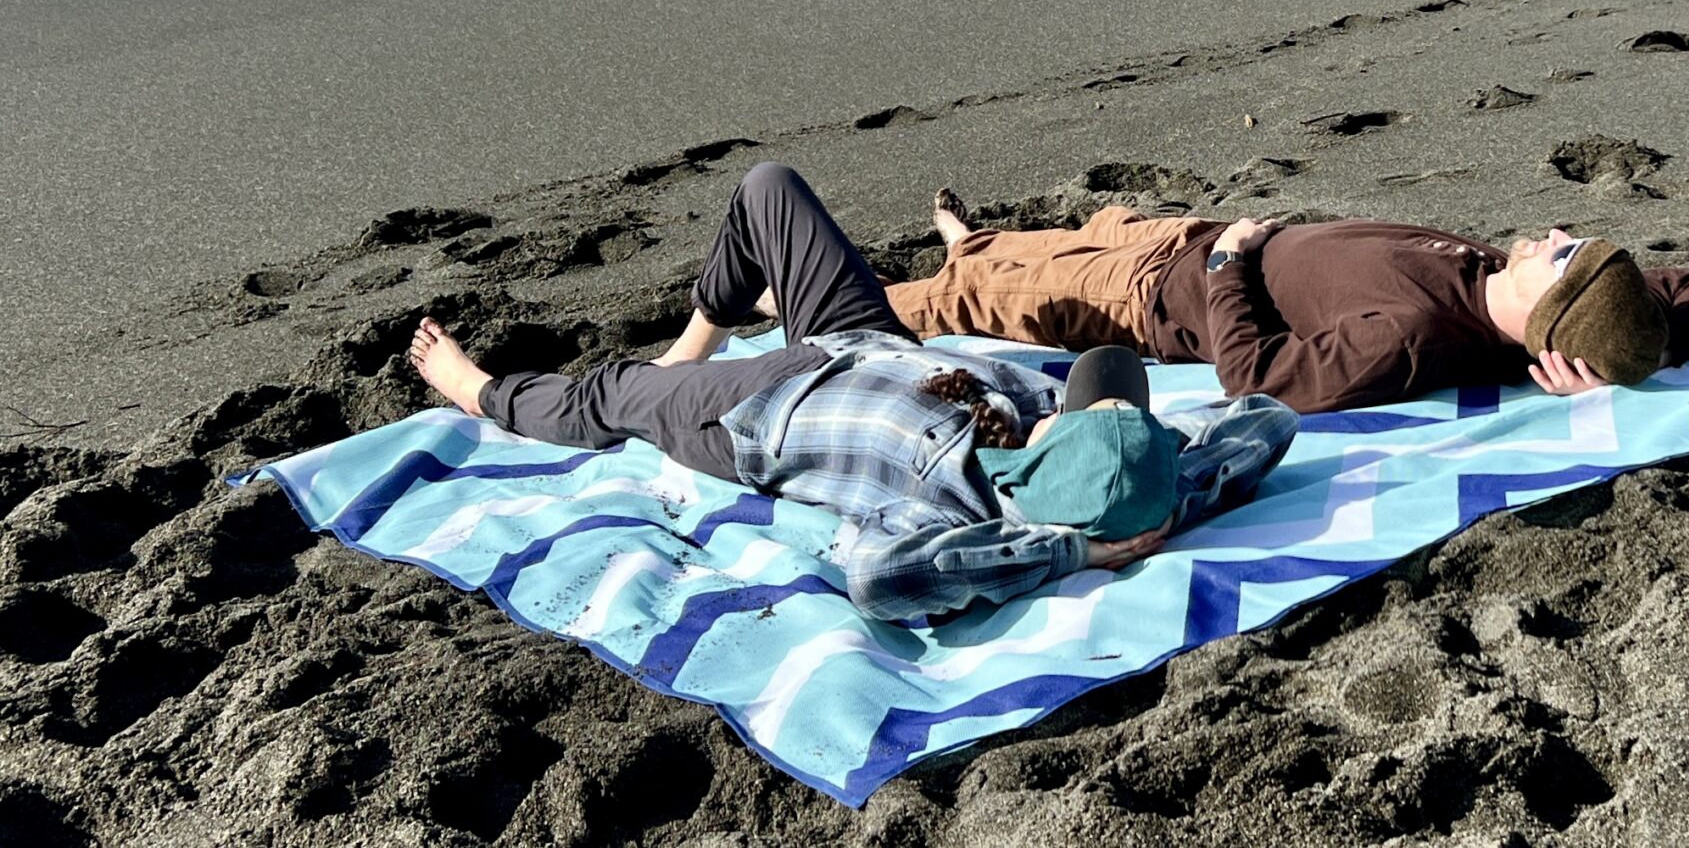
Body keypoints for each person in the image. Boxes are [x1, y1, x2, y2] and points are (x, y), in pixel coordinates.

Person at [405, 162, 1295, 622]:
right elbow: (1264, 419)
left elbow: (882, 582)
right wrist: (1176, 499)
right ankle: (697, 335)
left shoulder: (957, 516)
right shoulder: (1124, 467)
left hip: (759, 412)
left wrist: (1074, 554)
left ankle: (480, 391)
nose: (1082, 402)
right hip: (868, 345)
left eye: (1088, 411)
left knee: (617, 394)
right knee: (770, 190)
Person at [882, 185, 1689, 414]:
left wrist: (1227, 268)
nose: (1550, 234)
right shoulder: (1493, 281)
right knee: (1034, 246)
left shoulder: (1416, 335)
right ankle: (974, 243)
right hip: (1178, 236)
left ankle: (771, 299)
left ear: (1555, 322)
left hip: (1147, 297)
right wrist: (1656, 348)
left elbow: (1257, 380)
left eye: (1559, 256)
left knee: (932, 302)